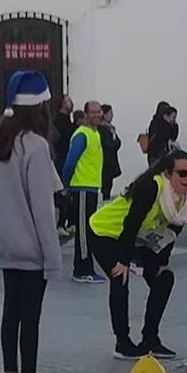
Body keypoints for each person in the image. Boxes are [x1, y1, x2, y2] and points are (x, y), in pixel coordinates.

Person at [0, 70, 64, 373]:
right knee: (31, 314)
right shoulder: (35, 145)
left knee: (11, 312)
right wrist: (53, 255)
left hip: (5, 240)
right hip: (31, 243)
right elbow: (42, 207)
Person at [88, 149, 187, 360]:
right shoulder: (152, 186)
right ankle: (122, 343)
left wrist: (162, 262)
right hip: (106, 231)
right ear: (167, 173)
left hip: (139, 238)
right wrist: (123, 261)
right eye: (182, 173)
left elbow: (171, 231)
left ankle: (150, 339)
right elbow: (131, 223)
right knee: (120, 278)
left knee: (165, 279)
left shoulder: (184, 198)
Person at [61, 100, 106, 282]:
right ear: (85, 115)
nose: (96, 115)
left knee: (88, 230)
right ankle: (81, 270)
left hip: (92, 188)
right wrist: (65, 184)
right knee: (83, 232)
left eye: (99, 112)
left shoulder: (95, 134)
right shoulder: (82, 135)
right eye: (93, 112)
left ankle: (87, 267)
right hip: (81, 188)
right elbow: (70, 162)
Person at [142, 101, 178, 165]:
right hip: (155, 155)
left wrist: (174, 123)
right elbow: (160, 136)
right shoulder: (155, 123)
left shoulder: (168, 124)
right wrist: (167, 123)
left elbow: (173, 136)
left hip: (165, 155)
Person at [100, 103, 123, 200]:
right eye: (110, 113)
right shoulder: (101, 129)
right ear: (104, 115)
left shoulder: (111, 129)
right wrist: (114, 142)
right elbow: (109, 145)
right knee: (105, 187)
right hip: (105, 162)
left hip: (110, 162)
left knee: (108, 185)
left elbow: (118, 143)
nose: (112, 116)